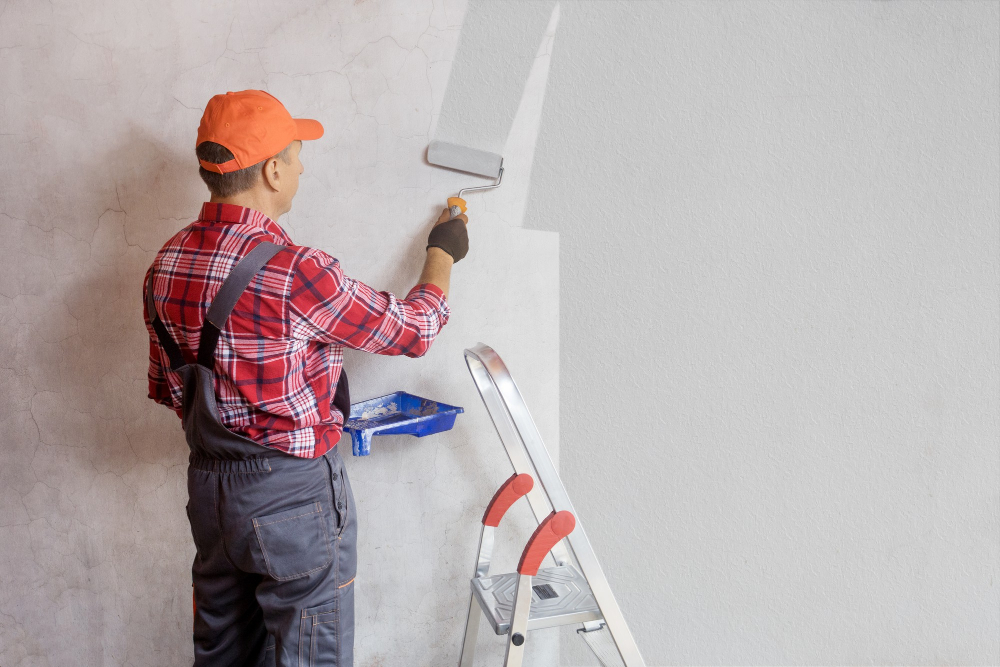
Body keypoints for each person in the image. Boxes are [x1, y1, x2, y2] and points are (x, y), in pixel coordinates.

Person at [142, 89, 469, 667]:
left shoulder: (165, 265)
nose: (301, 168)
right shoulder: (298, 272)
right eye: (295, 156)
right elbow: (413, 331)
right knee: (308, 657)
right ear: (271, 170)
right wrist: (442, 255)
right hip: (292, 500)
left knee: (221, 654)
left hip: (210, 496)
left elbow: (172, 391)